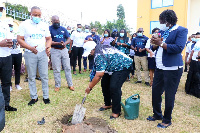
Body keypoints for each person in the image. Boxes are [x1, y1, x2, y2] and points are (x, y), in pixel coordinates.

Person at [147, 9, 188, 128]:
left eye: (161, 21)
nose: (160, 23)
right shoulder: (162, 31)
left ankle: (167, 119)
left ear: (168, 21)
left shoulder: (181, 30)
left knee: (169, 94)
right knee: (156, 91)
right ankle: (157, 114)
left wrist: (160, 43)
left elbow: (178, 48)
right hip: (160, 67)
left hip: (173, 68)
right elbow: (155, 47)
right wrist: (154, 43)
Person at [84, 41, 133, 119]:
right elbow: (96, 71)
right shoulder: (98, 52)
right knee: (104, 83)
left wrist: (89, 87)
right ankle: (108, 104)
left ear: (93, 49)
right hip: (112, 66)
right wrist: (91, 82)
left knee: (114, 87)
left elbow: (99, 75)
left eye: (90, 51)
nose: (90, 53)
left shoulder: (99, 55)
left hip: (123, 66)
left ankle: (117, 111)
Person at [17, 6, 52, 106]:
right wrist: (30, 47)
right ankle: (34, 97)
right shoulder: (24, 24)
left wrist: (48, 47)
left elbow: (48, 38)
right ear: (30, 14)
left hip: (42, 53)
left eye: (39, 15)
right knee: (31, 76)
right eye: (35, 15)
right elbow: (19, 39)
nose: (37, 16)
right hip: (30, 53)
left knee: (44, 76)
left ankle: (46, 96)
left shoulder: (44, 25)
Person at [49, 15, 74, 92]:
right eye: (55, 22)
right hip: (54, 50)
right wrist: (58, 43)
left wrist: (65, 43)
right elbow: (48, 41)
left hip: (64, 50)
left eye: (58, 21)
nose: (57, 23)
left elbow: (69, 38)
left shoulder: (63, 29)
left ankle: (70, 85)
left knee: (67, 67)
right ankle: (57, 85)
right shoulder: (49, 29)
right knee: (56, 69)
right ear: (52, 21)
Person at [0, 4, 17, 111]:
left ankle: (6, 104)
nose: (0, 11)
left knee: (6, 82)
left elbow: (10, 39)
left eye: (1, 9)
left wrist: (12, 43)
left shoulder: (5, 24)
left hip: (6, 56)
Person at [8, 21, 23, 91]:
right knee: (9, 70)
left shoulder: (16, 33)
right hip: (9, 53)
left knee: (17, 69)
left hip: (18, 53)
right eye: (9, 26)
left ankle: (17, 84)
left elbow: (22, 40)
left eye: (11, 26)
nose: (10, 27)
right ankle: (9, 85)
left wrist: (18, 42)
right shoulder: (6, 34)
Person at [185, 32, 200, 98]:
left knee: (197, 77)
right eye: (196, 37)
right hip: (194, 61)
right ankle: (189, 90)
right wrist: (190, 59)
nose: (197, 38)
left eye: (198, 37)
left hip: (198, 62)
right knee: (191, 75)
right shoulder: (197, 43)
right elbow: (192, 52)